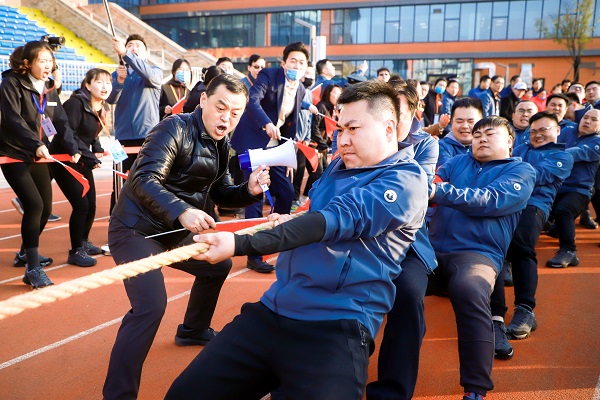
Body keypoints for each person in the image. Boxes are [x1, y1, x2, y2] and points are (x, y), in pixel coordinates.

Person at [165, 79, 428, 400]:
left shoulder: (406, 179)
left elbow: (333, 220)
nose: (342, 140)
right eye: (340, 129)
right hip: (273, 310)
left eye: (353, 129)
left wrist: (238, 244)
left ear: (389, 129)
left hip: (336, 325)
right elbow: (311, 215)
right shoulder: (336, 168)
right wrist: (288, 219)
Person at [102, 74, 269, 400]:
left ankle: (192, 329)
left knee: (216, 266)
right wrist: (182, 211)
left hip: (177, 230)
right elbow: (144, 179)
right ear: (204, 101)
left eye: (236, 113)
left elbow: (221, 193)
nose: (227, 118)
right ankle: (118, 395)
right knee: (150, 307)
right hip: (135, 228)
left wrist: (249, 191)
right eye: (221, 107)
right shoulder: (172, 128)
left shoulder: (224, 146)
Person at [427, 116, 535, 400]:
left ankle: (476, 387)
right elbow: (431, 185)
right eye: (476, 134)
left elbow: (488, 199)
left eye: (490, 133)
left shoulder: (521, 171)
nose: (481, 138)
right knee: (395, 283)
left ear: (510, 141)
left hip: (478, 256)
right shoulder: (455, 163)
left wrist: (438, 192)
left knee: (470, 289)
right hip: (430, 251)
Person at [365, 81, 439, 400]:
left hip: (407, 245)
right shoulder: (362, 140)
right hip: (363, 239)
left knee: (407, 295)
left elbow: (413, 197)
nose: (392, 120)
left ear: (413, 113)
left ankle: (391, 391)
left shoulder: (425, 145)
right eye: (386, 111)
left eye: (400, 111)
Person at [490, 112, 573, 360]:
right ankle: (495, 313)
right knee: (493, 248)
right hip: (506, 202)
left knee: (522, 247)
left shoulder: (562, 155)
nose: (537, 135)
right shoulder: (521, 147)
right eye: (532, 131)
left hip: (533, 206)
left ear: (557, 130)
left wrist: (511, 170)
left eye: (543, 129)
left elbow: (538, 177)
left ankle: (525, 309)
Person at [0, 41, 81, 288]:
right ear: (27, 63)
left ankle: (26, 253)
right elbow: (13, 119)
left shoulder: (49, 87)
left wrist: (72, 147)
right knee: (33, 204)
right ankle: (32, 268)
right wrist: (35, 143)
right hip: (13, 153)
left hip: (37, 154)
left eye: (50, 61)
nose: (48, 66)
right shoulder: (11, 83)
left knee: (45, 208)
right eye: (42, 61)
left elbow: (55, 122)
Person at [230, 41, 315, 273]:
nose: (296, 65)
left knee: (286, 192)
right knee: (256, 195)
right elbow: (253, 100)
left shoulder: (300, 88)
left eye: (301, 62)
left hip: (277, 147)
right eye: (293, 61)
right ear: (284, 63)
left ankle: (280, 240)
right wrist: (266, 123)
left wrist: (288, 158)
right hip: (254, 142)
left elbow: (291, 123)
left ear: (307, 67)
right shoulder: (269, 75)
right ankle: (254, 253)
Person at [49, 68, 112, 267]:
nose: (105, 87)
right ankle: (75, 250)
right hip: (65, 159)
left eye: (108, 83)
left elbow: (92, 133)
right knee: (81, 205)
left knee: (92, 205)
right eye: (99, 82)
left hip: (82, 159)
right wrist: (89, 155)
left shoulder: (103, 107)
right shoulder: (75, 104)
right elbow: (69, 134)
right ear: (87, 84)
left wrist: (97, 147)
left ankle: (84, 242)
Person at [106, 34, 162, 213]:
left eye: (138, 46)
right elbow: (111, 99)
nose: (134, 48)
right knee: (119, 182)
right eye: (130, 45)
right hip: (122, 138)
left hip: (148, 137)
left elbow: (150, 76)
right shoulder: (118, 74)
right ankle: (116, 221)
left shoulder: (153, 72)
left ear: (146, 53)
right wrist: (119, 82)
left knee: (149, 180)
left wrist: (126, 54)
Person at [546, 109, 600, 267]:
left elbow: (576, 153)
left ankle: (569, 251)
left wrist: (554, 154)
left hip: (579, 190)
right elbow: (550, 144)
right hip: (555, 185)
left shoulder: (597, 143)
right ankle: (556, 227)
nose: (588, 121)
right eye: (586, 117)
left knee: (564, 210)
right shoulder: (567, 130)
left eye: (594, 120)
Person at [436, 97, 483, 168]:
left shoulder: (488, 146)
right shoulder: (441, 147)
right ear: (451, 121)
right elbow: (449, 172)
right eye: (459, 121)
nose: (465, 126)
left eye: (470, 121)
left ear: (481, 122)